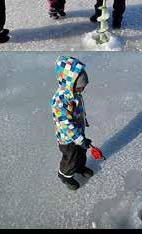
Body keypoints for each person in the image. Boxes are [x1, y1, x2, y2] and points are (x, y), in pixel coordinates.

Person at [51, 56, 94, 190]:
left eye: (83, 88)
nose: (82, 91)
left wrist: (83, 122)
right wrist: (79, 139)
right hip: (68, 139)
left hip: (78, 133)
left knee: (81, 152)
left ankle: (80, 167)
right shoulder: (59, 102)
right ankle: (65, 175)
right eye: (80, 88)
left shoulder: (74, 94)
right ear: (69, 83)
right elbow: (66, 125)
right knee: (71, 157)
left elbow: (79, 111)